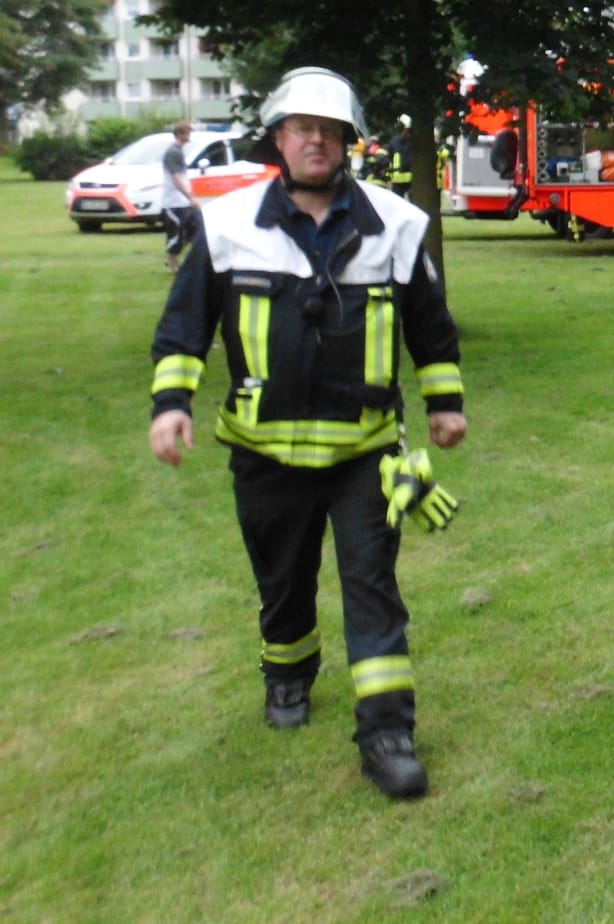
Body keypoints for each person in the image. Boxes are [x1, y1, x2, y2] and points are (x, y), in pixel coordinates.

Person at [147, 68, 468, 801]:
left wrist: (445, 401)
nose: (316, 141)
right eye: (302, 129)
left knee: (372, 586)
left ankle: (387, 735)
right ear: (279, 140)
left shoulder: (397, 224)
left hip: (365, 454)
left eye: (329, 131)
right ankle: (288, 673)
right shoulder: (227, 224)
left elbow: (431, 324)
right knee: (282, 578)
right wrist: (171, 403)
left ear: (349, 141)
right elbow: (184, 324)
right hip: (263, 453)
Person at [161, 120, 197, 273]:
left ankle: (172, 258)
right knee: (176, 233)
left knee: (193, 231)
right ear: (181, 134)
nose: (189, 135)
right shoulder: (173, 152)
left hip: (183, 202)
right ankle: (172, 263)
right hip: (174, 202)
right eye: (188, 132)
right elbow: (175, 178)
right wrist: (190, 197)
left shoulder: (178, 151)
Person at [384, 114, 415, 199]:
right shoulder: (406, 141)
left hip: (402, 179)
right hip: (402, 179)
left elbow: (389, 157)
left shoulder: (395, 142)